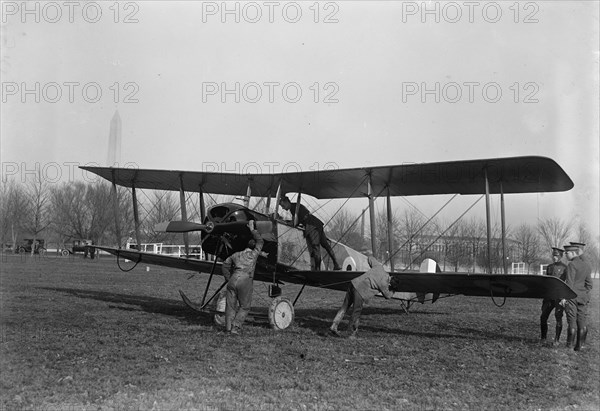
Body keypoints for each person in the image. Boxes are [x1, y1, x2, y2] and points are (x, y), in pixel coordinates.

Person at [330, 255, 393, 338]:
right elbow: (388, 296)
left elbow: (370, 258)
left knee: (344, 307)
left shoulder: (379, 267)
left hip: (353, 283)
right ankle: (350, 333)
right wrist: (393, 291)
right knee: (356, 311)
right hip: (360, 291)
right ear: (390, 284)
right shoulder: (384, 285)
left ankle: (334, 325)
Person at [221, 221, 264, 334]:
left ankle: (228, 328)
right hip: (245, 280)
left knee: (230, 306)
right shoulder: (254, 254)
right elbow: (260, 241)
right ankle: (236, 327)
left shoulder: (236, 254)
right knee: (244, 306)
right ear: (254, 247)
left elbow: (225, 264)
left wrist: (228, 278)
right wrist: (252, 229)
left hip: (233, 279)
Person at [279, 195, 341, 271]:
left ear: (286, 202)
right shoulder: (295, 206)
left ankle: (317, 269)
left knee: (315, 247)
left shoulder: (293, 208)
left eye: (282, 205)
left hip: (312, 225)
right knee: (325, 244)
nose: (283, 208)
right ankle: (336, 264)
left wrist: (287, 222)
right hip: (316, 223)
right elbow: (297, 220)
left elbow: (295, 223)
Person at [562, 243, 593, 351]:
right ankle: (579, 346)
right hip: (583, 297)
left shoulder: (571, 265)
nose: (566, 255)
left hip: (572, 297)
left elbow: (569, 284)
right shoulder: (586, 265)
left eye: (567, 253)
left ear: (573, 253)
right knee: (582, 321)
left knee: (571, 321)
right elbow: (589, 284)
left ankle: (569, 346)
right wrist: (583, 293)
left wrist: (564, 298)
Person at [539, 247, 567, 346]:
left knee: (558, 318)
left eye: (557, 256)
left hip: (559, 297)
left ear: (561, 256)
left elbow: (567, 283)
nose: (555, 257)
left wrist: (564, 297)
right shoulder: (549, 267)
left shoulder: (565, 268)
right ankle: (543, 338)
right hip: (549, 297)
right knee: (543, 317)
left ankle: (556, 340)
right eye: (553, 255)